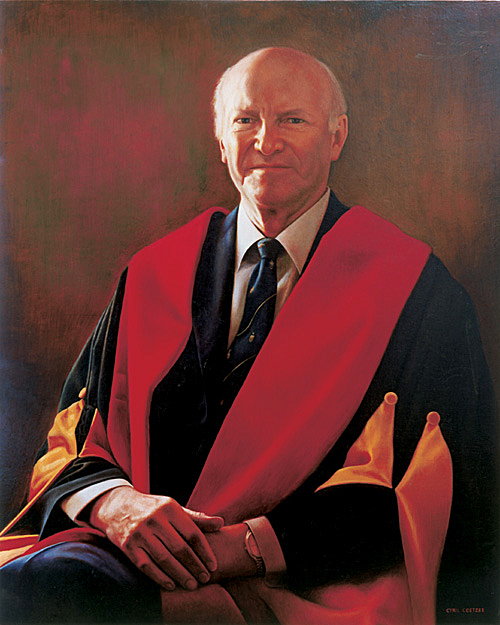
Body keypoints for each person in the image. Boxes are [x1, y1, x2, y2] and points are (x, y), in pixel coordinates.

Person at [0, 47, 496, 625]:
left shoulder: (414, 291)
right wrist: (116, 504)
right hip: (130, 560)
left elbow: (437, 486)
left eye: (292, 119)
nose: (266, 141)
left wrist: (242, 549)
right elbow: (74, 436)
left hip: (306, 588)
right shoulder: (155, 274)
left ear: (336, 137)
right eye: (245, 119)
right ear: (221, 140)